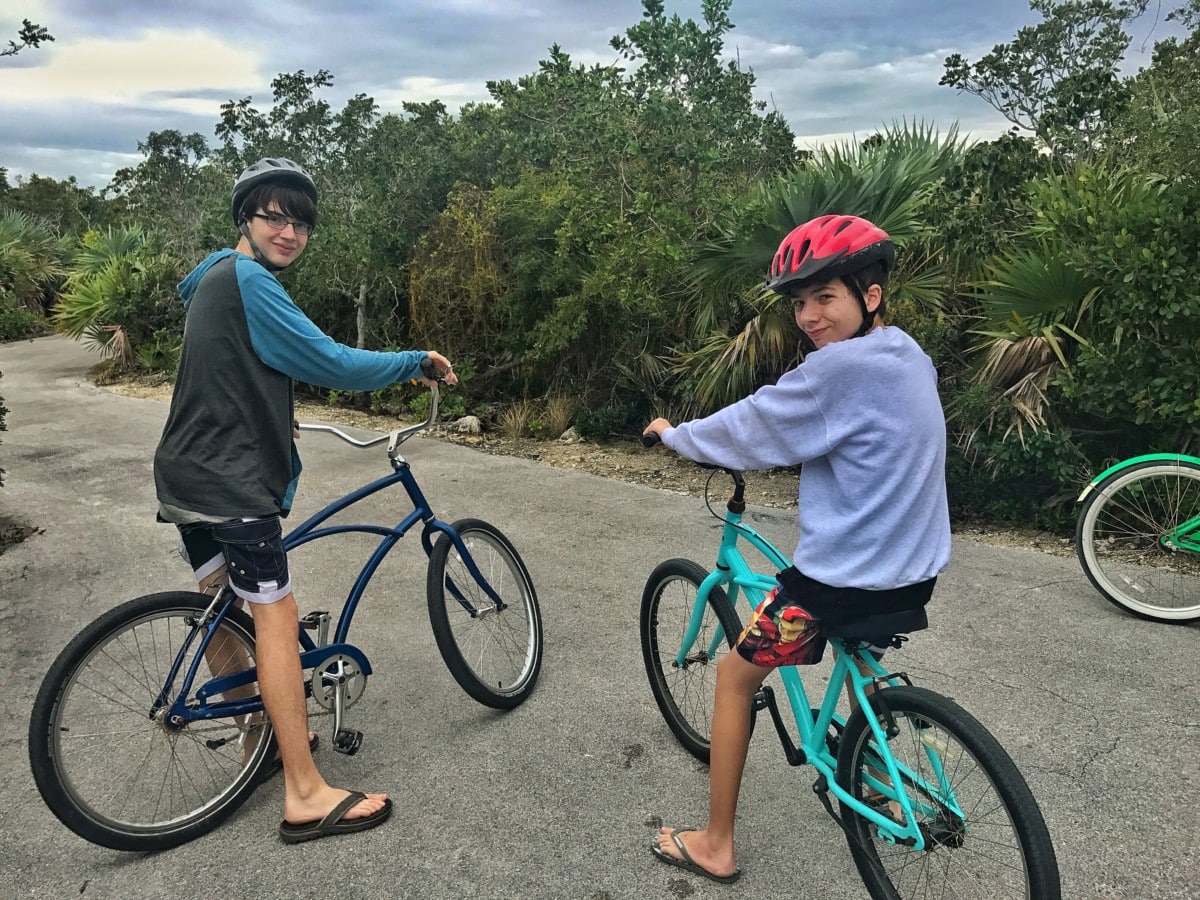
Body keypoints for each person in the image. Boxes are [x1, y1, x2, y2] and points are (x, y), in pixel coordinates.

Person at [153, 156, 458, 844]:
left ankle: (258, 737)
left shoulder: (210, 279)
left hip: (184, 473)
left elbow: (226, 364)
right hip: (230, 481)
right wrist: (415, 360)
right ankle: (305, 792)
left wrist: (267, 407)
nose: (289, 231)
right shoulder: (249, 280)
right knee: (275, 617)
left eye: (301, 221)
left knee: (223, 607)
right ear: (246, 219)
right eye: (275, 215)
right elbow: (333, 363)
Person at [643, 214, 951, 883]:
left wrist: (676, 436)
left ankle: (715, 844)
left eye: (825, 297)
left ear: (870, 295)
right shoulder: (906, 352)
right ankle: (880, 732)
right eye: (798, 303)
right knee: (847, 637)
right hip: (915, 571)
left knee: (734, 675)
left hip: (844, 582)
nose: (809, 316)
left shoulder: (836, 370)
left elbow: (751, 425)